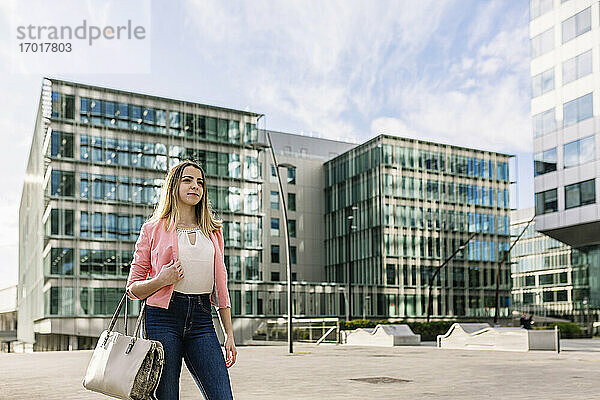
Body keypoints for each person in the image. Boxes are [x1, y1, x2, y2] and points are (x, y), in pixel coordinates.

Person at [126, 160, 236, 400]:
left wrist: (228, 334)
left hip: (202, 320)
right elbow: (132, 289)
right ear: (174, 186)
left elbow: (221, 288)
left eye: (200, 182)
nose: (195, 186)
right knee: (167, 396)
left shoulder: (214, 231)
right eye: (187, 180)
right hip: (162, 318)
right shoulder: (152, 229)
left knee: (222, 396)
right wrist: (161, 279)